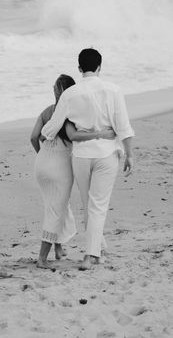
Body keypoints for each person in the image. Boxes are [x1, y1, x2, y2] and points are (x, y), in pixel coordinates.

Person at [40, 49, 134, 271]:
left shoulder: (70, 94)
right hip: (106, 154)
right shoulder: (113, 90)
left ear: (79, 68)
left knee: (87, 204)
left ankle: (97, 251)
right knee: (98, 206)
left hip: (81, 156)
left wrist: (46, 133)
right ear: (100, 67)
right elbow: (123, 126)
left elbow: (50, 128)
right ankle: (90, 255)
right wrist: (130, 154)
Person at [29, 74, 117, 269]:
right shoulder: (69, 114)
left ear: (55, 90)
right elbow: (73, 135)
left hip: (41, 164)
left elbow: (34, 137)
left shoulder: (47, 112)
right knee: (55, 210)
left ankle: (58, 249)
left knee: (56, 205)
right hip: (60, 167)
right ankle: (42, 259)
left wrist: (42, 156)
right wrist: (101, 134)